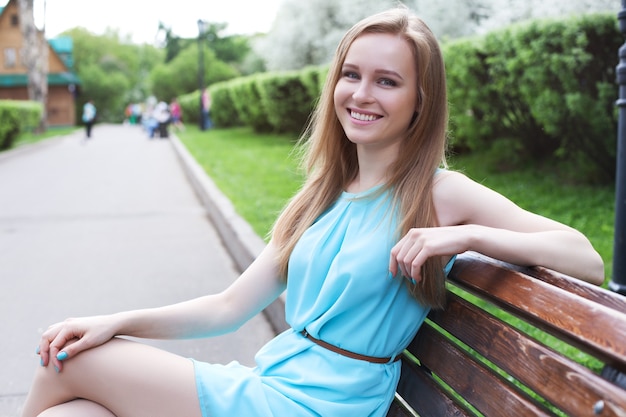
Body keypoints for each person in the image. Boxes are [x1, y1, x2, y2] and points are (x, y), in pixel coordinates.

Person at [22, 7, 604, 417]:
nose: (362, 94)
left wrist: (462, 236)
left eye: (387, 81)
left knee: (65, 364)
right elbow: (227, 308)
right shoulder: (323, 192)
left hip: (322, 404)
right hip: (274, 384)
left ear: (420, 100)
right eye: (351, 75)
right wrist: (116, 320)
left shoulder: (441, 193)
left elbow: (586, 258)